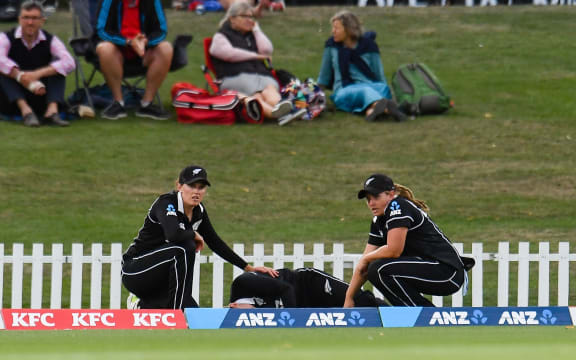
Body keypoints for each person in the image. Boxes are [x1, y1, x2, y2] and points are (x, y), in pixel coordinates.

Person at [122, 164, 278, 310]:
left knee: (193, 315)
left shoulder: (199, 211)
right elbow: (173, 234)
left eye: (201, 187)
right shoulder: (166, 203)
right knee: (185, 248)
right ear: (179, 186)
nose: (196, 192)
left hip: (161, 283)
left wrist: (249, 268)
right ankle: (175, 314)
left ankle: (143, 305)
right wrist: (193, 234)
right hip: (136, 270)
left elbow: (215, 242)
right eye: (191, 186)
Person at [344, 173, 473, 307]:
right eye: (368, 199)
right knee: (374, 268)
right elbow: (363, 267)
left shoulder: (397, 206)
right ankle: (425, 316)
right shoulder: (378, 220)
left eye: (376, 197)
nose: (371, 203)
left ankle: (423, 315)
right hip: (434, 269)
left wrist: (367, 259)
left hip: (447, 272)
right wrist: (349, 298)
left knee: (379, 268)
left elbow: (394, 251)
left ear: (390, 194)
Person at [209, 1, 300, 126]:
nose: (249, 20)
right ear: (232, 19)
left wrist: (256, 29)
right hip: (235, 77)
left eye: (251, 16)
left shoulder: (252, 35)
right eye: (244, 16)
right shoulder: (221, 36)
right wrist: (256, 56)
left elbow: (267, 50)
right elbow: (228, 53)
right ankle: (275, 114)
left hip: (261, 75)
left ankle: (285, 110)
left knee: (270, 89)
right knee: (256, 94)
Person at [317, 11, 406, 122]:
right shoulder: (332, 46)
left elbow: (379, 75)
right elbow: (324, 76)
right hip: (344, 90)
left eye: (336, 28)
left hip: (370, 85)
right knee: (364, 91)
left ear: (348, 30)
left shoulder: (369, 46)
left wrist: (387, 90)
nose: (333, 31)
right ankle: (387, 108)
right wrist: (316, 97)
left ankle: (373, 111)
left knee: (381, 88)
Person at [0, 1, 75, 127]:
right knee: (3, 70)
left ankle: (52, 111)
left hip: (41, 93)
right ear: (19, 19)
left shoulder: (51, 40)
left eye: (34, 18)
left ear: (42, 21)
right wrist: (20, 76)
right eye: (26, 18)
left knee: (58, 65)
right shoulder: (5, 37)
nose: (30, 22)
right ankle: (26, 112)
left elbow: (70, 62)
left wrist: (37, 74)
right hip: (11, 98)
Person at [95, 0, 173, 120]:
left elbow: (161, 30)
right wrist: (129, 42)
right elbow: (102, 30)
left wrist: (145, 42)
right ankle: (118, 103)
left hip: (145, 53)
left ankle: (147, 104)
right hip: (117, 52)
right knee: (104, 48)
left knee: (166, 48)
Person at [229, 267, 385, 308]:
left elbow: (286, 289)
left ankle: (398, 312)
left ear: (233, 305)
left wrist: (294, 321)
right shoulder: (250, 309)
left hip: (309, 282)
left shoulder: (242, 283)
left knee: (359, 299)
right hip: (305, 304)